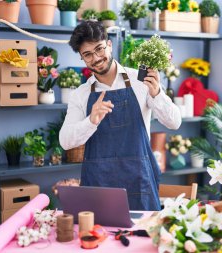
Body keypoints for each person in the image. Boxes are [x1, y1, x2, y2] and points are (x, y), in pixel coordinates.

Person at [59, 21, 182, 211]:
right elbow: (65, 142)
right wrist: (90, 121)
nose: (96, 58)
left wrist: (157, 93)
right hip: (98, 186)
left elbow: (174, 122)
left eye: (99, 49)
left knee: (143, 237)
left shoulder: (140, 81)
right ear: (82, 58)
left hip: (138, 181)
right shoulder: (81, 94)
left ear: (109, 45)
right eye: (88, 54)